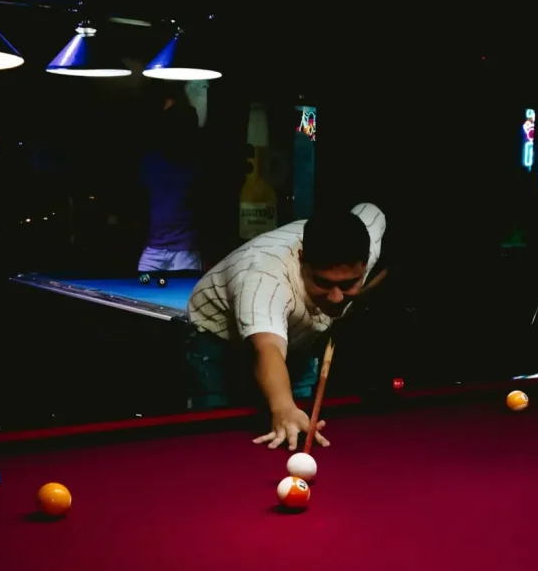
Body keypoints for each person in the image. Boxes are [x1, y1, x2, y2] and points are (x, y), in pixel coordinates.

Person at [186, 202, 387, 449]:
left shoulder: (368, 238)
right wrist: (283, 407)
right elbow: (267, 346)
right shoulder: (265, 276)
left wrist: (363, 292)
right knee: (215, 433)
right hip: (219, 340)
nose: (336, 297)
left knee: (296, 422)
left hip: (298, 338)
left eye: (347, 284)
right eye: (323, 283)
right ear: (302, 259)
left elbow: (371, 210)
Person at [138, 88, 202, 273]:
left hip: (186, 251)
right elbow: (141, 203)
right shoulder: (151, 161)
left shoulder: (197, 163)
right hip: (154, 249)